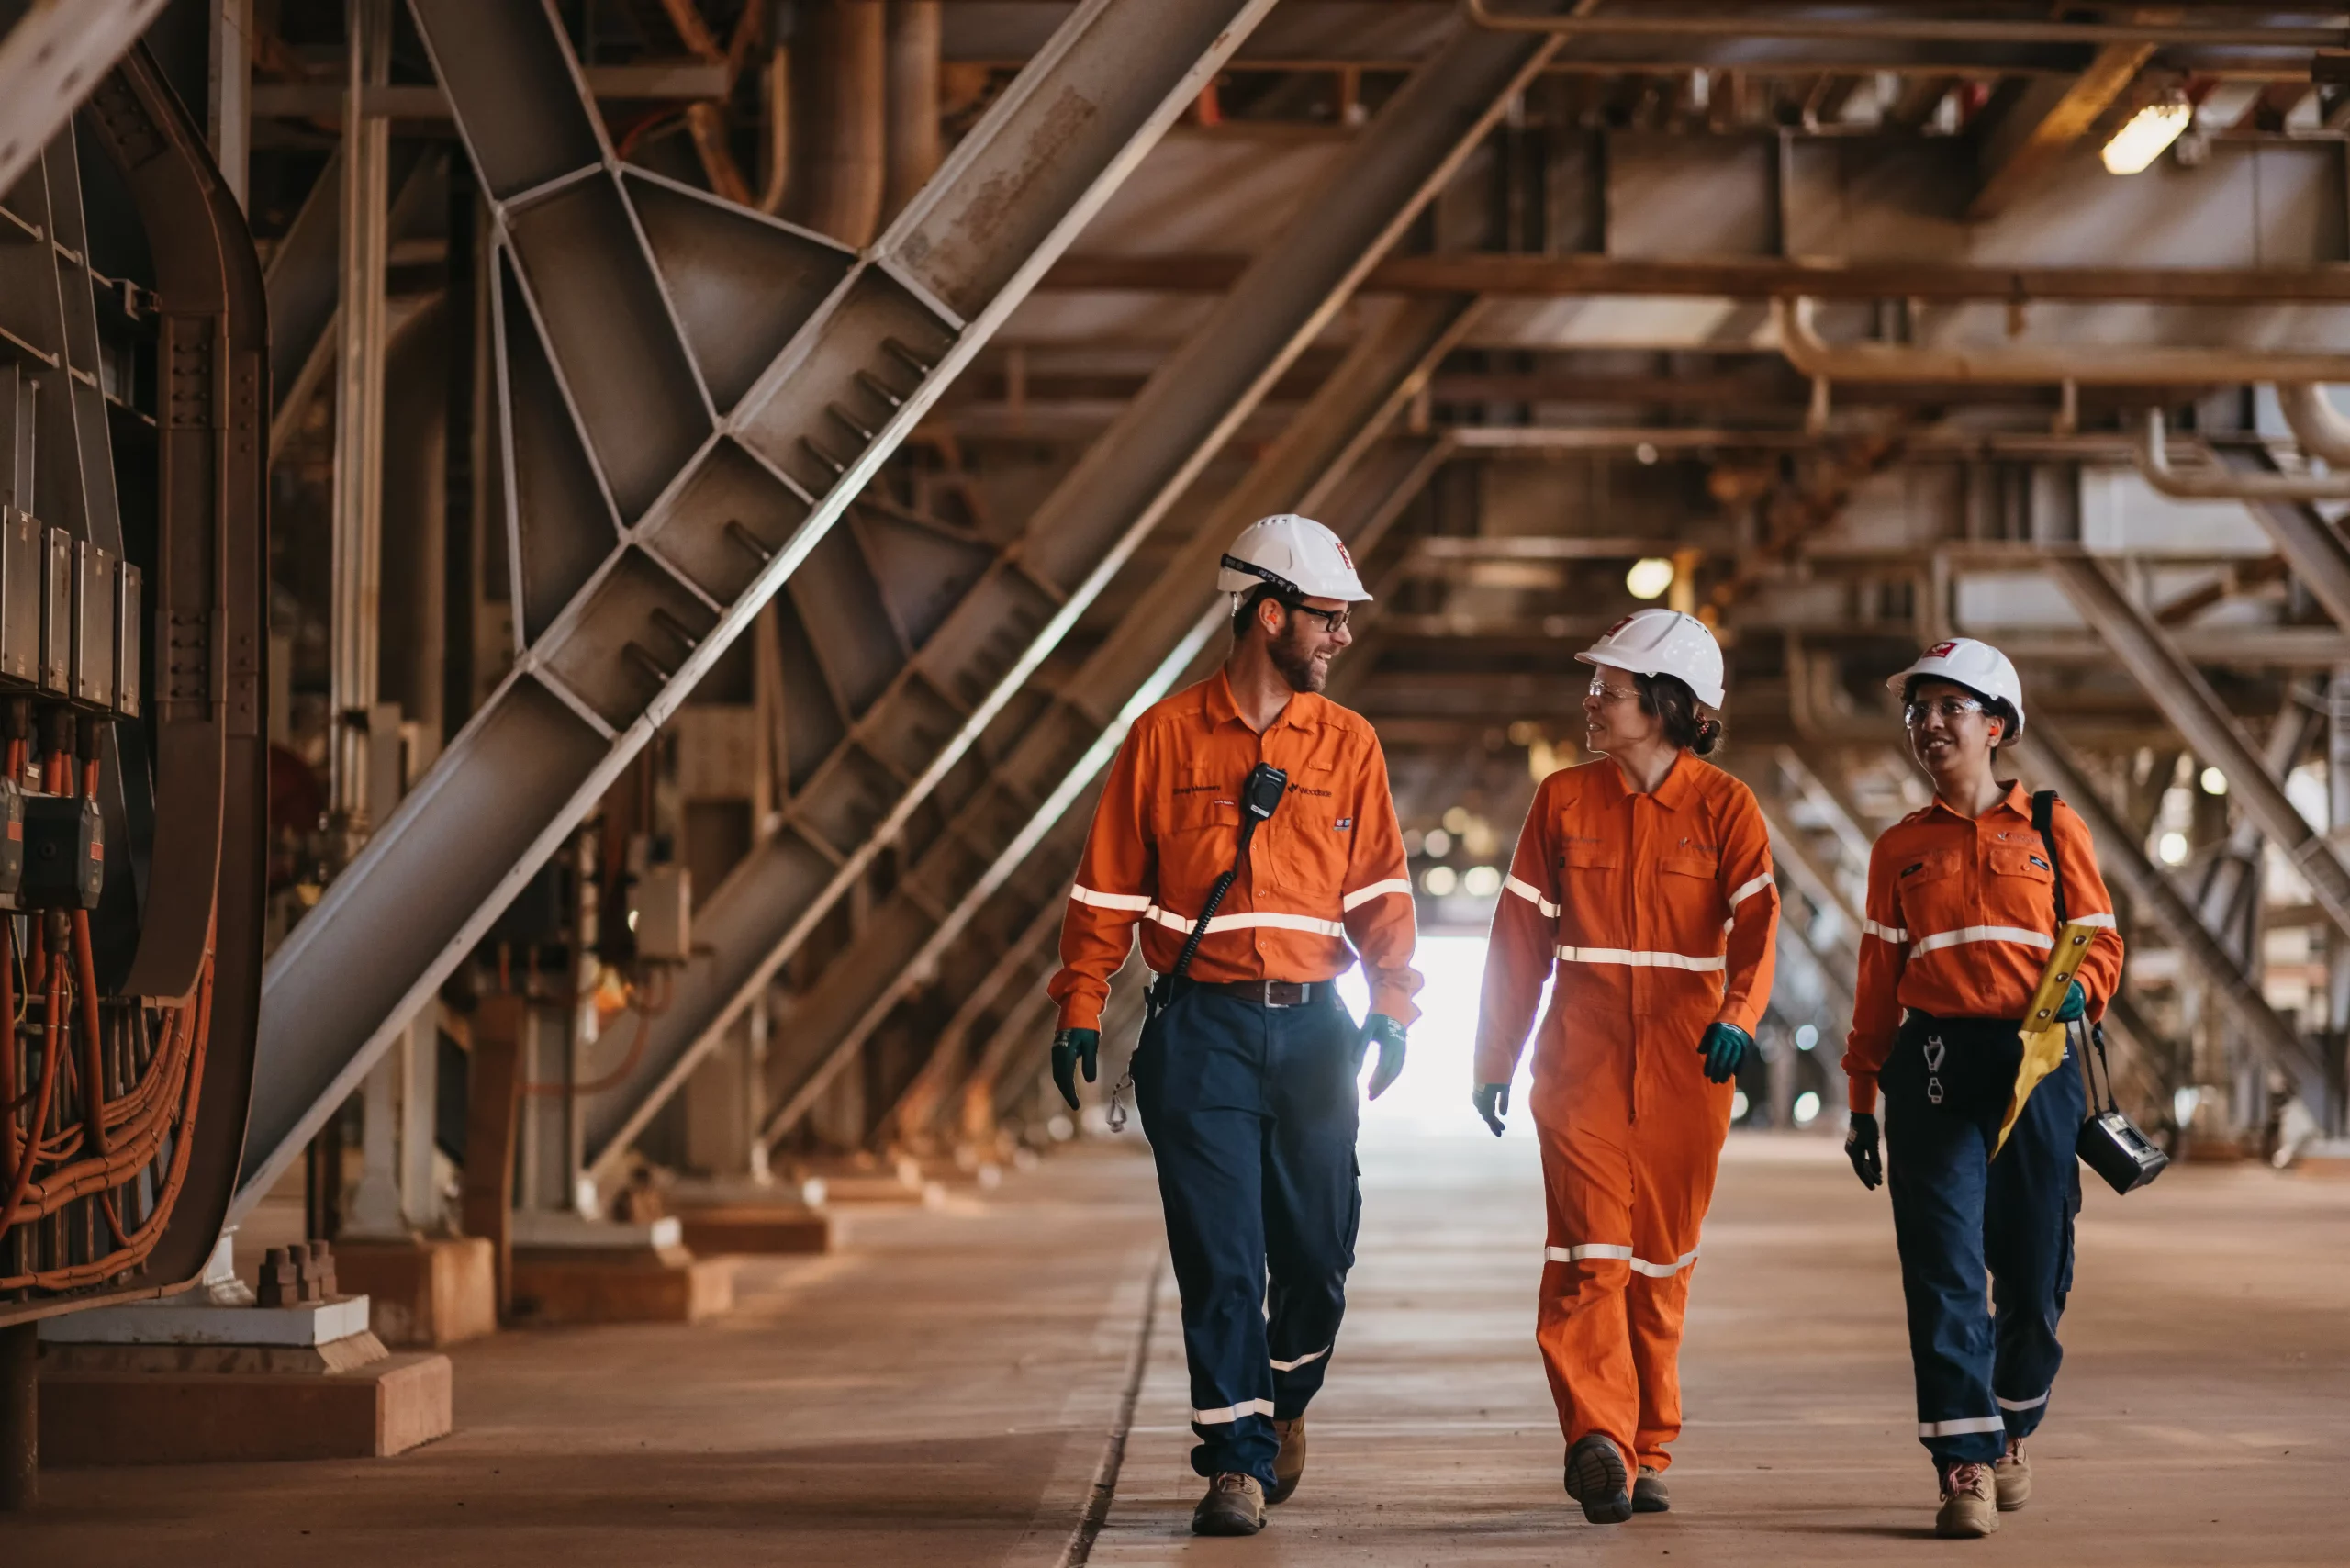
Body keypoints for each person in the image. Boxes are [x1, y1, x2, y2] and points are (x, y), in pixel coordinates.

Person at [1046, 514, 1422, 1538]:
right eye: (1328, 619)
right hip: (1199, 1033)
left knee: (1316, 1250)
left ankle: (1284, 1395)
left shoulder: (1348, 746)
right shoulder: (1162, 739)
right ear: (1271, 615)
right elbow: (1107, 888)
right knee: (1218, 1256)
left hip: (1311, 1036)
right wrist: (1083, 1000)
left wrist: (1391, 1007)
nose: (1340, 638)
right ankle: (1234, 1463)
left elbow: (1383, 892)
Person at [1472, 609, 1778, 1525]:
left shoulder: (1726, 808)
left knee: (1659, 1266)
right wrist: (1495, 1053)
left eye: (1607, 689)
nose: (1589, 702)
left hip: (1690, 1070)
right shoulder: (1562, 801)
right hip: (1581, 1065)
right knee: (1586, 1255)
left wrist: (1738, 1014)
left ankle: (1647, 1448)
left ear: (1665, 704)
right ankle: (1596, 1437)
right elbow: (1518, 940)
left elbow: (1760, 925)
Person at [1841, 638, 2122, 1539]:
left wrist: (2086, 984)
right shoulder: (1898, 849)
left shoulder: (2049, 825)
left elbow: (2099, 936)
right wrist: (1858, 1097)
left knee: (2035, 1269)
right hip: (1929, 1070)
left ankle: (2010, 1425)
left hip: (2036, 1062)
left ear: (1994, 724)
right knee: (1944, 1266)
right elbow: (1876, 980)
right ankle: (1962, 1459)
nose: (1926, 726)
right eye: (1917, 711)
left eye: (1946, 709)